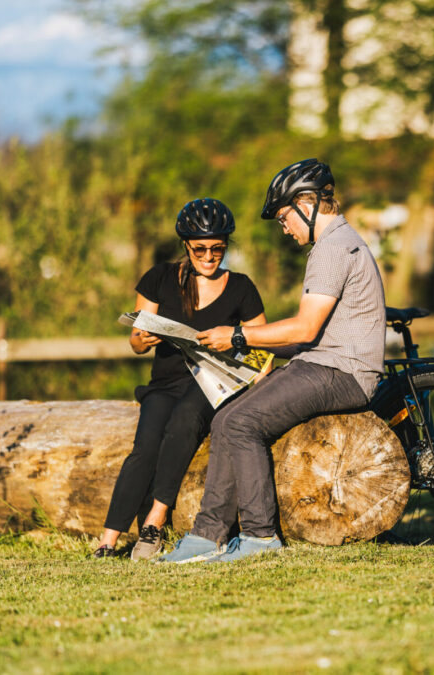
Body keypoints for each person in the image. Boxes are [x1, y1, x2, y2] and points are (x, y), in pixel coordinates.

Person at [159, 158, 386, 564]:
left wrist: (238, 335)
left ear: (307, 203)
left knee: (242, 422)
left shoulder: (332, 250)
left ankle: (260, 536)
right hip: (327, 363)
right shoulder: (338, 243)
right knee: (226, 418)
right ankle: (208, 535)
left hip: (341, 372)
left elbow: (304, 328)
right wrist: (243, 347)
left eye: (285, 217)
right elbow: (313, 335)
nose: (284, 227)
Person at [93, 198, 267, 560]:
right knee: (144, 447)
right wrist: (143, 338)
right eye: (200, 248)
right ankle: (106, 541)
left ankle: (155, 521)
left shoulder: (241, 287)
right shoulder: (159, 277)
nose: (209, 255)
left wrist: (236, 346)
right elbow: (136, 342)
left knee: (184, 421)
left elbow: (260, 343)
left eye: (217, 248)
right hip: (166, 382)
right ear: (186, 246)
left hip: (210, 384)